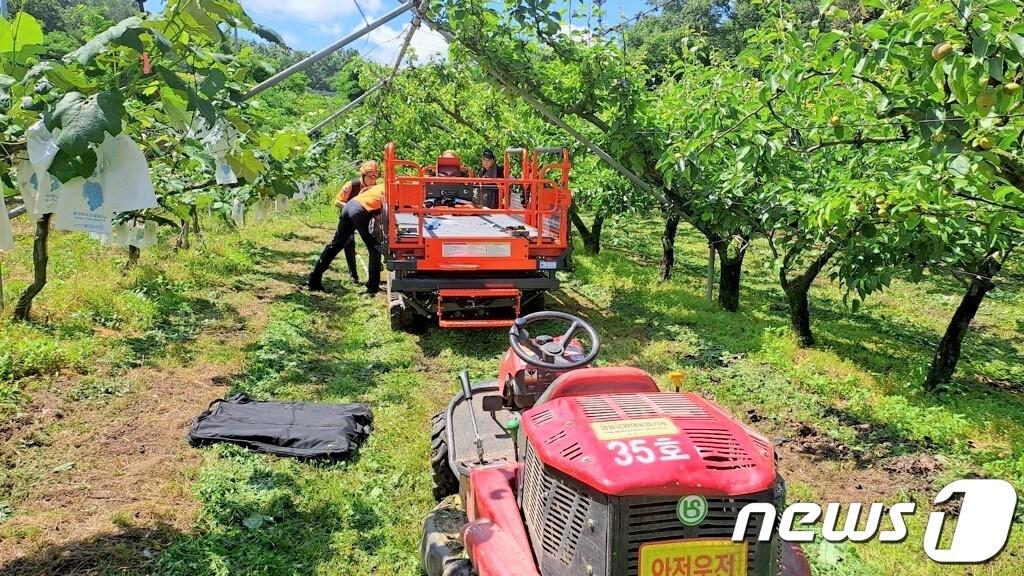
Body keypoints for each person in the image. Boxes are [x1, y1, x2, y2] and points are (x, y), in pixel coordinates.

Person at [308, 163, 383, 294]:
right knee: (375, 249)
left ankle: (314, 279)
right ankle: (372, 289)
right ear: (363, 175)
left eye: (375, 176)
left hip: (350, 207)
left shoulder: (381, 187)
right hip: (358, 210)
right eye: (370, 176)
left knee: (336, 244)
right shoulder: (353, 185)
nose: (373, 179)